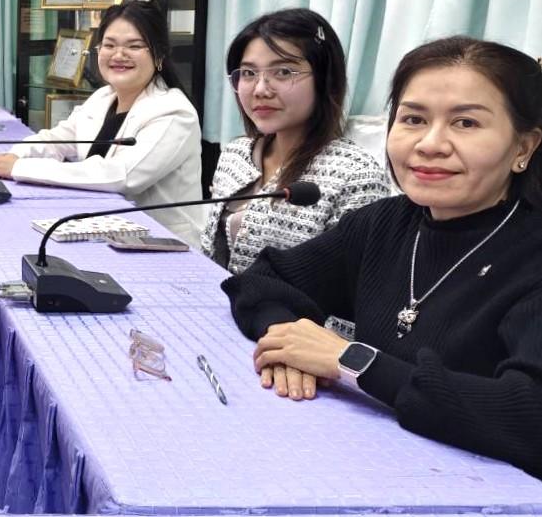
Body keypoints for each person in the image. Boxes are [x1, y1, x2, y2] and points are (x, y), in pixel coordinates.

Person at [223, 36, 542, 477]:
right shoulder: (387, 222)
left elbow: (528, 415)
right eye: (413, 118)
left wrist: (352, 361)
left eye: (465, 124)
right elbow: (265, 277)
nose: (430, 144)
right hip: (368, 463)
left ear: (524, 148)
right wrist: (288, 338)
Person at [0, 0, 204, 246]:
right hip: (102, 231)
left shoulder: (173, 112)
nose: (119, 55)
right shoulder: (103, 97)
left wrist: (21, 169)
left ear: (159, 55)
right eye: (109, 45)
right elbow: (59, 139)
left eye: (134, 46)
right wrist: (15, 155)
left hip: (160, 245)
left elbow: (122, 176)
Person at [204, 9, 390, 273]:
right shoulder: (236, 154)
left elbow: (352, 294)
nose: (260, 89)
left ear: (324, 79)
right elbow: (210, 253)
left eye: (282, 72)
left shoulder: (356, 176)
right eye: (248, 73)